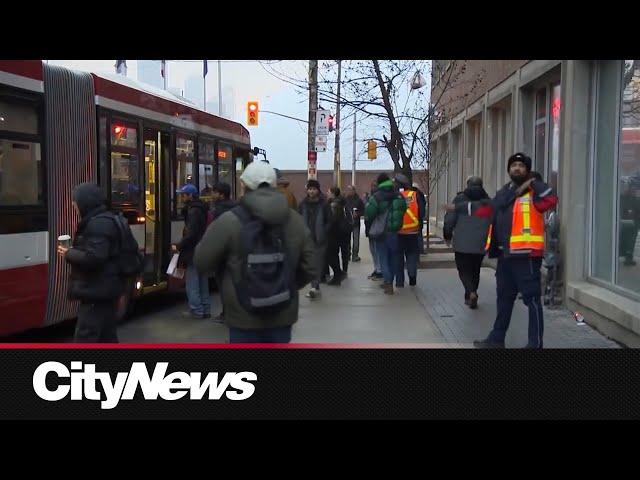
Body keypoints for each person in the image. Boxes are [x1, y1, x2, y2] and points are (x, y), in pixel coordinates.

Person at [194, 161, 316, 343]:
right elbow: (311, 265)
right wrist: (285, 282)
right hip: (282, 314)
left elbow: (202, 261)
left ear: (244, 186)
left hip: (242, 314)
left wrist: (230, 279)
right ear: (275, 184)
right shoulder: (295, 221)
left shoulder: (228, 221)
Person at [456, 153, 558, 349]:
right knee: (504, 299)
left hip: (527, 255)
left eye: (521, 165)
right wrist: (462, 209)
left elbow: (551, 199)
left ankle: (535, 344)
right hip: (506, 256)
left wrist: (533, 183)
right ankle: (496, 339)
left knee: (532, 301)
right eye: (514, 165)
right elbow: (489, 208)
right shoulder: (506, 192)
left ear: (527, 170)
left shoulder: (534, 193)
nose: (517, 168)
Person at [57, 183, 124, 342]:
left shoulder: (98, 224)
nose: (75, 207)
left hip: (96, 290)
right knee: (107, 337)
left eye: (76, 204)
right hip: (104, 290)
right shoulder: (103, 220)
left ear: (84, 203)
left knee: (85, 337)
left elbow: (95, 258)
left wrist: (69, 253)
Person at [443, 176, 492, 309]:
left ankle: (470, 292)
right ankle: (471, 293)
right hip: (480, 242)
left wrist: (447, 235)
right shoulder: (487, 202)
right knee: (475, 269)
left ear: (467, 184)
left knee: (463, 269)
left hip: (462, 242)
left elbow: (449, 220)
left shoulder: (459, 200)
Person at [172, 183, 212, 319]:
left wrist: (179, 245)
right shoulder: (201, 208)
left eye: (183, 195)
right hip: (203, 248)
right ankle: (205, 309)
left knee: (192, 282)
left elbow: (191, 233)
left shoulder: (193, 211)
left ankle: (196, 310)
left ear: (190, 196)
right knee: (202, 281)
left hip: (193, 251)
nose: (181, 198)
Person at [364, 173, 407, 295]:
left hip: (381, 232)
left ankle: (388, 281)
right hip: (395, 231)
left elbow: (369, 213)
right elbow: (404, 209)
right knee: (393, 257)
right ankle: (390, 280)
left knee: (382, 257)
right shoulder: (399, 196)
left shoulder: (376, 197)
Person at [298, 179, 331, 299]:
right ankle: (314, 285)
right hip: (307, 238)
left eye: (313, 189)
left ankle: (315, 286)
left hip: (320, 239)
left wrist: (324, 231)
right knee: (309, 263)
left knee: (318, 263)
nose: (311, 191)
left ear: (318, 190)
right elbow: (298, 219)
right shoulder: (303, 204)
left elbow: (329, 221)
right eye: (309, 189)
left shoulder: (324, 204)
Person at [394, 174, 424, 287]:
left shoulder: (396, 196)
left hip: (399, 232)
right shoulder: (416, 195)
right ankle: (412, 278)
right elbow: (422, 212)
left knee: (398, 257)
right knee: (411, 256)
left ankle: (399, 281)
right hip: (413, 232)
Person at [326, 186, 351, 285]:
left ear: (332, 193)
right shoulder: (343, 202)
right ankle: (343, 271)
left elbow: (332, 220)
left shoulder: (334, 204)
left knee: (331, 253)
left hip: (336, 232)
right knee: (344, 252)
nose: (327, 193)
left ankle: (338, 274)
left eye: (328, 191)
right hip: (345, 231)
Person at [365, 181, 383, 280]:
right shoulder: (370, 198)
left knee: (377, 250)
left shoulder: (377, 199)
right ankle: (376, 269)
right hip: (370, 228)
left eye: (375, 186)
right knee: (373, 250)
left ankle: (380, 270)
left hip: (376, 228)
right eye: (372, 186)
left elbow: (371, 213)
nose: (373, 188)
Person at [345, 185, 365, 262]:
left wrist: (358, 214)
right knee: (347, 240)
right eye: (348, 190)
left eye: (350, 190)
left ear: (354, 191)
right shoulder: (346, 200)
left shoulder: (359, 200)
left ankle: (355, 255)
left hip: (356, 223)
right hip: (347, 223)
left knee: (356, 240)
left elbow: (363, 211)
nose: (349, 191)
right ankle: (348, 255)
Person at [412, 182, 427, 254]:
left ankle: (418, 250)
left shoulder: (413, 195)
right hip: (418, 219)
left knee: (416, 236)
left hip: (413, 219)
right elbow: (422, 207)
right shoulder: (420, 195)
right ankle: (420, 250)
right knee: (419, 235)